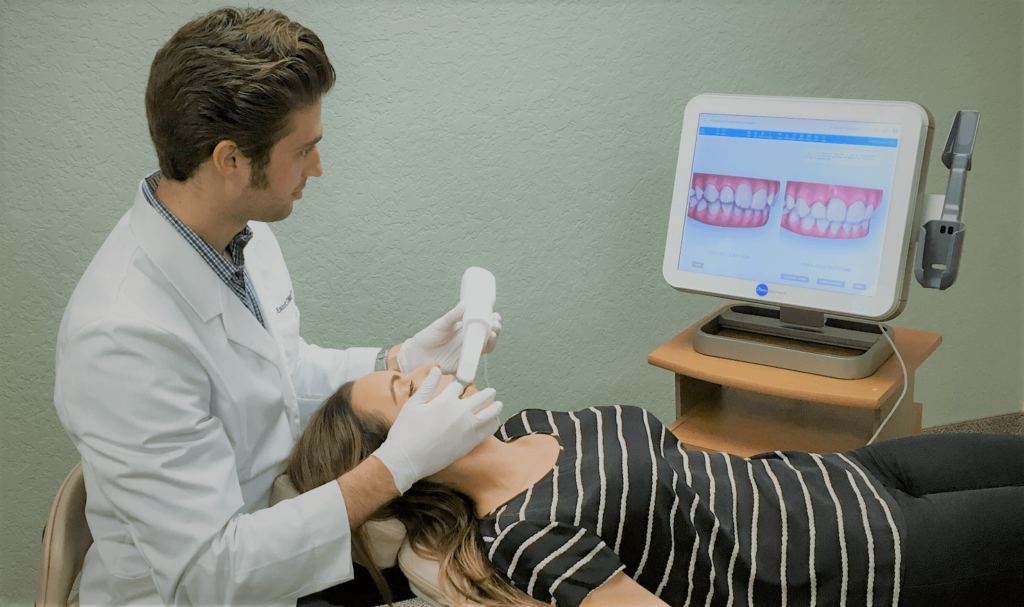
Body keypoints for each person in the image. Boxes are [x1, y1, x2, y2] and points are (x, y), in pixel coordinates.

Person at [53, 8, 503, 606]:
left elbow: (276, 372)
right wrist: (396, 465)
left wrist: (394, 358)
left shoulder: (240, 234)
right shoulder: (121, 339)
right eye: (304, 150)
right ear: (231, 160)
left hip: (279, 540)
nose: (317, 167)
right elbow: (209, 575)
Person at [287, 363, 1024, 607]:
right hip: (864, 556)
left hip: (848, 473)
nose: (425, 371)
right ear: (404, 452)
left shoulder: (534, 420)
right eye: (403, 387)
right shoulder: (524, 535)